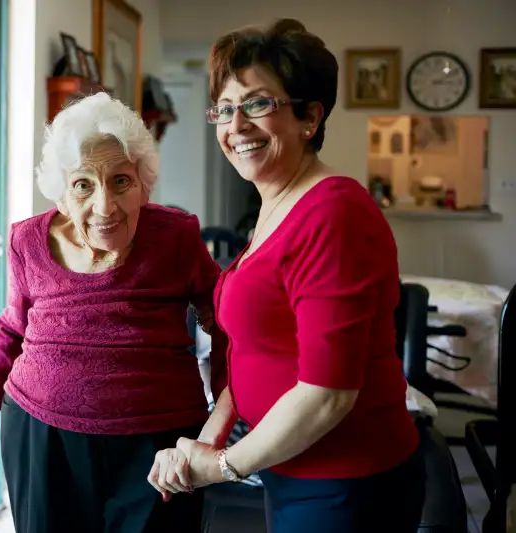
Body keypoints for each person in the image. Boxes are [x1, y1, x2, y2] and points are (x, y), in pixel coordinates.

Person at [147, 18, 425, 533]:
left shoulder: (334, 214)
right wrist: (212, 436)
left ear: (309, 117)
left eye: (257, 104)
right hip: (293, 466)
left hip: (346, 482)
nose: (236, 126)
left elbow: (328, 392)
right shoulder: (276, 208)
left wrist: (225, 464)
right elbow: (258, 348)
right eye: (225, 110)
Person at [0, 92, 227, 533]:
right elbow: (12, 329)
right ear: (61, 192)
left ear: (144, 182)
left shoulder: (176, 237)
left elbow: (227, 323)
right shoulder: (26, 242)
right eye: (83, 184)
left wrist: (218, 426)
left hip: (159, 442)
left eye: (121, 180)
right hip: (42, 435)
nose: (105, 206)